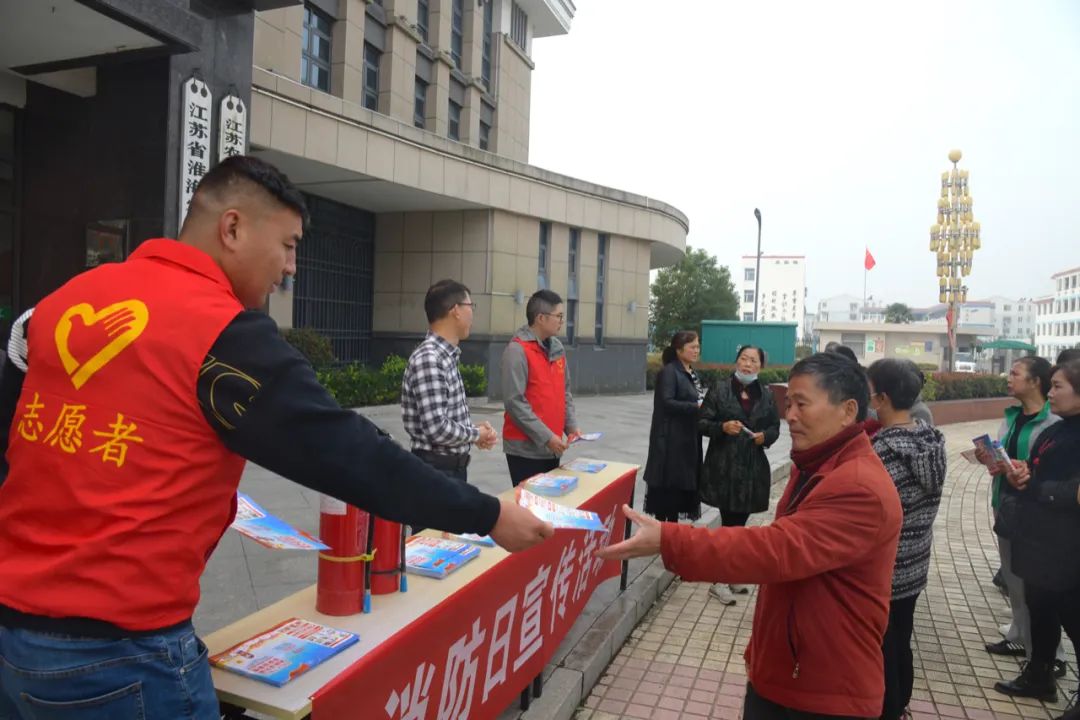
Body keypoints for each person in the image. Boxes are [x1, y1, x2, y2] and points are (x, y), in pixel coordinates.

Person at [0, 156, 552, 720]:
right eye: (287, 245)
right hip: (120, 656)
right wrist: (486, 514)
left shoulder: (65, 300)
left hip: (13, 634)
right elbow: (343, 450)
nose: (291, 267)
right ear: (232, 227)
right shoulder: (221, 332)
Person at [598, 352, 902, 719]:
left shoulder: (858, 486)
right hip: (791, 673)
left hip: (824, 691)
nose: (790, 415)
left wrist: (670, 540)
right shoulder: (818, 463)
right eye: (788, 403)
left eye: (802, 404)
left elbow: (776, 549)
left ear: (848, 410)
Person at [994, 360, 1080, 716]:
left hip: (1068, 546)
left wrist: (1040, 488)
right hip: (1040, 541)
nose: (1052, 392)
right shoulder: (1059, 429)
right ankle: (1039, 674)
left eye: (1058, 386)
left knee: (1072, 617)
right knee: (1040, 609)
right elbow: (1041, 466)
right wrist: (1024, 474)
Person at [866, 359, 946, 720]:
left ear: (881, 398)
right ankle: (899, 705)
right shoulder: (931, 442)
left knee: (882, 647)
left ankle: (888, 708)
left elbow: (870, 518)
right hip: (914, 565)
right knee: (901, 641)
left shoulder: (881, 453)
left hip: (882, 571)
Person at [979, 358, 1062, 674]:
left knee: (1037, 587)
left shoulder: (1053, 422)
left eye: (1015, 373)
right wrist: (993, 460)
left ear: (1035, 382)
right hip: (1007, 505)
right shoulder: (1013, 417)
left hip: (1036, 512)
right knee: (1013, 578)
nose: (1008, 378)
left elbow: (1044, 466)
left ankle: (1049, 657)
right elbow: (1006, 456)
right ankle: (1020, 637)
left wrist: (1022, 467)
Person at [697, 345, 781, 605]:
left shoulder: (765, 395)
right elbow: (701, 423)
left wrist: (764, 437)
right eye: (743, 359)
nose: (747, 364)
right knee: (728, 524)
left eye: (753, 361)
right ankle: (719, 579)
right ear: (736, 361)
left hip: (751, 469)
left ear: (760, 366)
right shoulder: (721, 389)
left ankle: (729, 574)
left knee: (738, 526)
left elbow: (775, 426)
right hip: (723, 467)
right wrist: (722, 427)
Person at [402, 279, 498, 484]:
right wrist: (474, 434)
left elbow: (443, 420)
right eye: (470, 306)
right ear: (456, 310)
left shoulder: (445, 356)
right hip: (436, 472)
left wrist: (473, 431)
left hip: (448, 469)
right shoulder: (430, 358)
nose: (472, 314)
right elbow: (437, 428)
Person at [501, 289, 581, 486]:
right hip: (525, 450)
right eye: (559, 316)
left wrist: (571, 427)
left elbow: (565, 393)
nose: (562, 321)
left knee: (550, 509)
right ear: (541, 318)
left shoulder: (557, 349)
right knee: (531, 510)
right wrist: (546, 437)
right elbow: (514, 402)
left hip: (552, 446)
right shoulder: (517, 350)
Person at [642, 331, 703, 524]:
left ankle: (672, 532)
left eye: (697, 346)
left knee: (681, 485)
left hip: (688, 437)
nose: (696, 350)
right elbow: (666, 402)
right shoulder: (669, 372)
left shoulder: (691, 372)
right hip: (670, 439)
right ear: (679, 349)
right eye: (692, 346)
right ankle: (663, 531)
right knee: (668, 486)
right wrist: (695, 407)